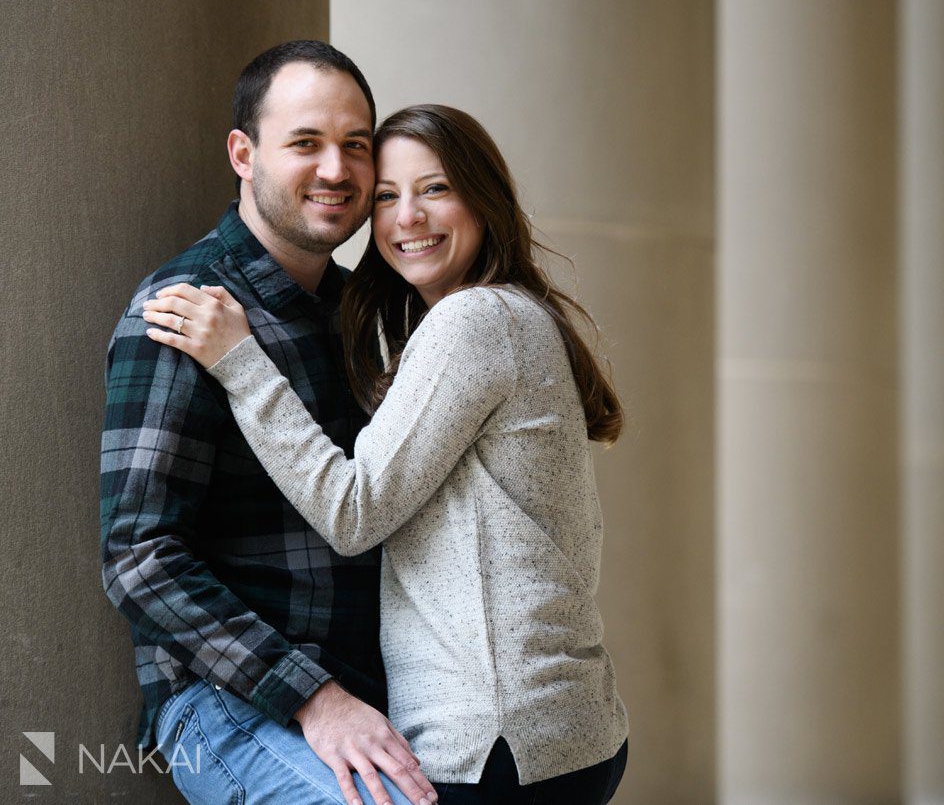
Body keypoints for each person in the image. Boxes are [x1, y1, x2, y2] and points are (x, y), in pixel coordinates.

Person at [143, 104, 630, 804]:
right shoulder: (517, 315)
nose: (409, 217)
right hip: (568, 730)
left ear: (483, 197)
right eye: (387, 197)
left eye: (435, 188)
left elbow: (352, 509)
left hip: (495, 741)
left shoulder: (472, 319)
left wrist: (240, 360)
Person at [101, 41, 437, 805]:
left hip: (372, 697)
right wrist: (313, 698)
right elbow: (138, 555)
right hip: (232, 700)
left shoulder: (364, 313)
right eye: (306, 143)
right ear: (243, 153)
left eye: (356, 145)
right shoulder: (184, 309)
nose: (336, 169)